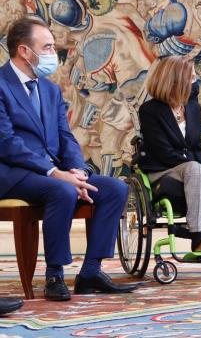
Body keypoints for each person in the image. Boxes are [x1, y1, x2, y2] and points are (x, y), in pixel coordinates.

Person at [0, 17, 138, 301]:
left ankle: (90, 272)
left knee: (114, 189)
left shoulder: (50, 89)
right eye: (47, 47)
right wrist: (54, 173)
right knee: (61, 189)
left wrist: (76, 169)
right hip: (13, 173)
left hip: (52, 172)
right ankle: (55, 275)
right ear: (25, 51)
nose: (53, 53)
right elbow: (7, 143)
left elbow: (65, 136)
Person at [138, 55, 201, 252]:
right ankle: (197, 235)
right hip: (162, 169)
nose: (196, 81)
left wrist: (200, 166)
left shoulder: (193, 108)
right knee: (195, 168)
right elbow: (163, 152)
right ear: (175, 80)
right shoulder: (150, 110)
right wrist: (192, 165)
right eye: (192, 77)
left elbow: (197, 146)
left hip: (188, 168)